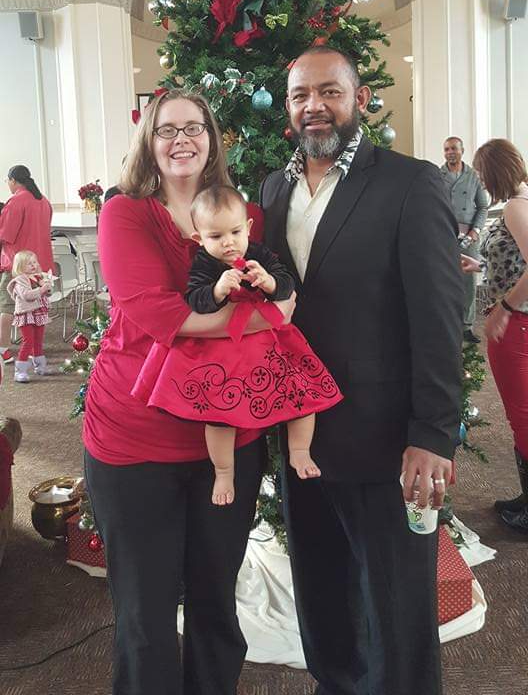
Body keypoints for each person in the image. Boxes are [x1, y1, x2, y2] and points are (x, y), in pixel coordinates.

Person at [260, 46, 464, 695]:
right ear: (287, 108)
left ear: (360, 100)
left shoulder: (409, 182)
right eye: (299, 95)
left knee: (397, 611)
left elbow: (438, 315)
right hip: (301, 438)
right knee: (322, 597)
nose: (313, 105)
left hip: (382, 442)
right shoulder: (273, 188)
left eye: (329, 91)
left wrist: (433, 432)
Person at [83, 90, 296, 695]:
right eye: (166, 129)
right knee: (146, 613)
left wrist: (279, 300)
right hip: (134, 435)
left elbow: (285, 283)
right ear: (148, 141)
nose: (181, 139)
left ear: (211, 138)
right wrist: (268, 317)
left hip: (227, 438)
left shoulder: (242, 211)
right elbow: (159, 317)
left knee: (214, 602)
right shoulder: (126, 213)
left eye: (194, 127)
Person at [132, 184, 343, 505]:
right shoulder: (204, 263)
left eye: (234, 232)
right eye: (216, 237)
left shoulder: (257, 253)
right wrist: (217, 290)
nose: (228, 243)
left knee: (304, 392)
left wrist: (269, 282)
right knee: (218, 416)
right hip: (224, 351)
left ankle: (300, 452)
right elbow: (195, 300)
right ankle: (223, 471)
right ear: (199, 239)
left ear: (247, 229)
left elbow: (286, 284)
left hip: (271, 343)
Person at [461, 138, 528, 533]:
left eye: (483, 173)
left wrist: (504, 309)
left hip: (517, 325)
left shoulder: (518, 208)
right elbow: (514, 262)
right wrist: (479, 264)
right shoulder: (519, 203)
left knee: (522, 415)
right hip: (517, 321)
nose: (481, 181)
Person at [0, 165, 53, 376]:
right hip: (40, 266)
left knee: (6, 305)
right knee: (36, 310)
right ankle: (35, 352)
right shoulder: (44, 201)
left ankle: (3, 349)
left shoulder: (16, 201)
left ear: (13, 180)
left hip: (18, 264)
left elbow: (6, 235)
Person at [440, 136, 488, 343]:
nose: (450, 152)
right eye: (446, 149)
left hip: (469, 236)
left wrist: (475, 230)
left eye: (453, 149)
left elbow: (483, 206)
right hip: (444, 234)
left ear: (462, 150)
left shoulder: (473, 176)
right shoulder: (436, 174)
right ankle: (446, 325)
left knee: (468, 282)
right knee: (443, 279)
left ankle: (466, 326)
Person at [7, 250, 52, 383]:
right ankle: (20, 370)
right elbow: (27, 295)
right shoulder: (20, 280)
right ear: (20, 267)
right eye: (28, 264)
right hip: (27, 314)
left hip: (39, 313)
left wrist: (47, 288)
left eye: (34, 262)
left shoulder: (38, 277)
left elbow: (45, 294)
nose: (33, 265)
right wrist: (41, 289)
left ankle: (40, 366)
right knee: (28, 342)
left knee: (38, 340)